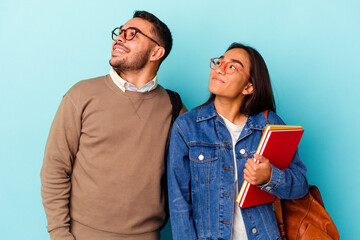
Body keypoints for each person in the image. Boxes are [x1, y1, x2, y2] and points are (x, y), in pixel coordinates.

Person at [41, 10, 186, 240]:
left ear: (156, 52)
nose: (119, 38)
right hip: (82, 235)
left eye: (132, 34)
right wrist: (60, 235)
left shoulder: (173, 107)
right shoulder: (81, 95)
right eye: (119, 33)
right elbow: (54, 170)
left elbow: (196, 171)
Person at [167, 43, 308, 240]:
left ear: (249, 87)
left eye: (232, 66)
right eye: (219, 62)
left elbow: (300, 185)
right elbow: (178, 201)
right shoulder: (187, 126)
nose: (219, 68)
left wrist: (270, 177)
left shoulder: (270, 125)